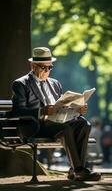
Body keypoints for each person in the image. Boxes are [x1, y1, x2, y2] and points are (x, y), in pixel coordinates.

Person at [11, 47, 101, 181]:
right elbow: (17, 111)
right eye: (43, 67)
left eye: (50, 67)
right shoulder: (21, 84)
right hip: (36, 126)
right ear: (32, 65)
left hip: (58, 122)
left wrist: (77, 110)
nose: (47, 71)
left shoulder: (55, 84)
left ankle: (75, 169)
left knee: (83, 124)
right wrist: (41, 111)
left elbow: (62, 106)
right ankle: (79, 170)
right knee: (65, 128)